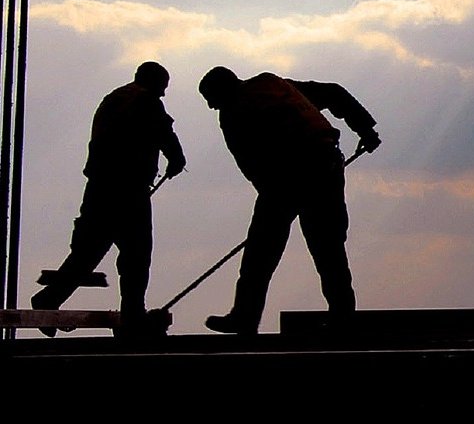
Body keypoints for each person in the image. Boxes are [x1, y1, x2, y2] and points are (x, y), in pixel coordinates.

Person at [198, 66, 381, 335]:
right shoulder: (273, 85)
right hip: (324, 168)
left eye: (212, 101)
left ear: (221, 92)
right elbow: (333, 93)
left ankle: (245, 317)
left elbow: (251, 164)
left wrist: (272, 200)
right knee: (328, 249)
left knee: (260, 255)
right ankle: (343, 318)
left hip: (285, 178)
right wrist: (365, 128)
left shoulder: (234, 113)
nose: (213, 108)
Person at [31, 61, 186, 336]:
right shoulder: (146, 100)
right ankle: (133, 314)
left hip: (98, 189)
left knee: (87, 253)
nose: (162, 95)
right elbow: (164, 133)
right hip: (128, 192)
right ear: (154, 82)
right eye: (162, 89)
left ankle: (49, 299)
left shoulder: (112, 99)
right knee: (136, 255)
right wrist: (176, 159)